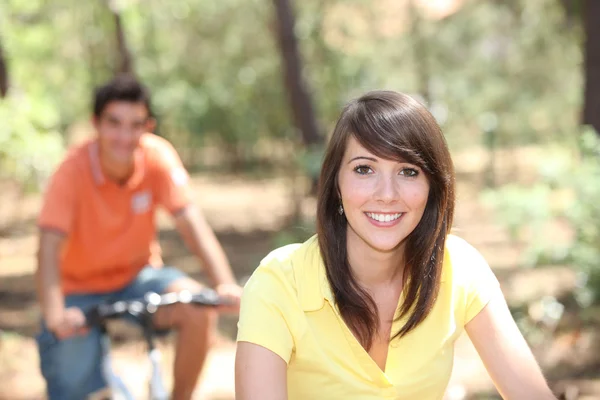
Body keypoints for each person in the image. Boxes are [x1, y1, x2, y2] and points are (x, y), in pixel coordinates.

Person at [235, 90, 557, 400]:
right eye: (364, 169)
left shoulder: (459, 267)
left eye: (408, 171)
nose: (387, 194)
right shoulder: (278, 283)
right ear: (335, 183)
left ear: (432, 186)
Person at [35, 75, 242, 400]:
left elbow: (191, 224)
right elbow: (48, 248)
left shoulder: (157, 156)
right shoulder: (70, 172)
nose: (124, 136)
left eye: (135, 125)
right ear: (96, 124)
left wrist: (224, 283)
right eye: (114, 123)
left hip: (138, 276)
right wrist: (55, 314)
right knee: (70, 382)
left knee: (198, 307)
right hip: (79, 289)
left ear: (148, 126)